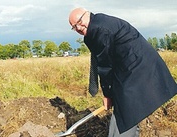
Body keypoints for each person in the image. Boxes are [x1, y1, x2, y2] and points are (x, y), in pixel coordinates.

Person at [68, 7, 177, 137]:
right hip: (128, 68)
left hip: (139, 68)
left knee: (126, 112)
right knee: (125, 113)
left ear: (88, 14)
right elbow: (100, 60)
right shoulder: (96, 26)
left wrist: (108, 94)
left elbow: (104, 66)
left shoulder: (100, 29)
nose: (79, 27)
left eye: (80, 21)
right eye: (74, 27)